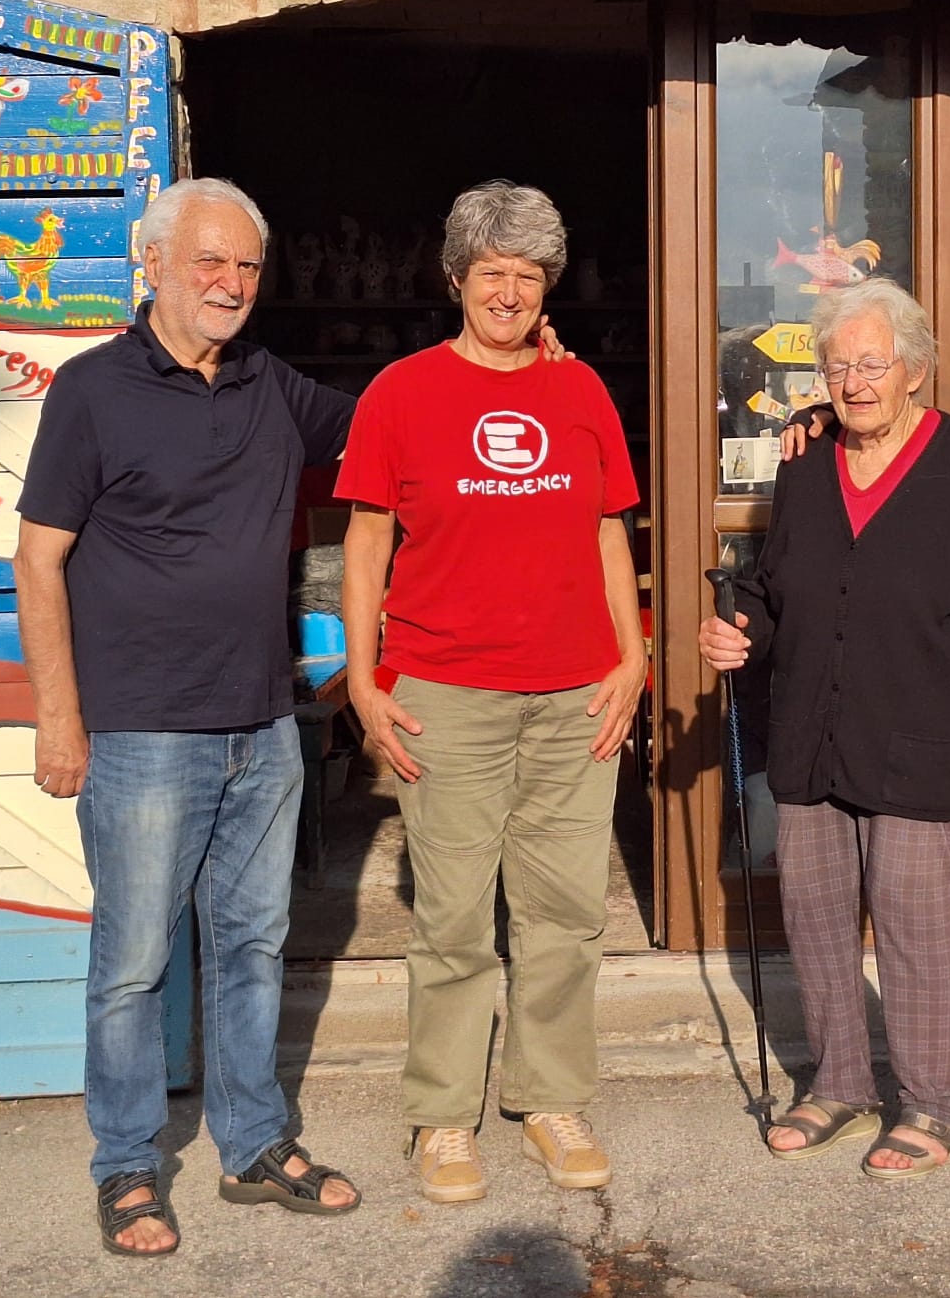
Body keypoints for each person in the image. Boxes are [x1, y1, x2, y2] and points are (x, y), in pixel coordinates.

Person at [14, 176, 366, 1254]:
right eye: (210, 260)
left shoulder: (270, 384)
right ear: (154, 262)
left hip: (261, 723)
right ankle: (126, 1166)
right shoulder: (91, 391)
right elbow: (38, 560)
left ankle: (252, 1142)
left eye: (247, 265)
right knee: (132, 963)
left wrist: (508, 364)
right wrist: (59, 720)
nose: (231, 283)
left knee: (253, 945)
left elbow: (395, 423)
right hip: (139, 732)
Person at [338, 181, 647, 1206]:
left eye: (527, 276)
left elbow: (609, 528)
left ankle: (552, 1100)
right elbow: (367, 541)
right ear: (456, 278)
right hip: (447, 692)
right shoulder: (400, 393)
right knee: (454, 920)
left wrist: (633, 656)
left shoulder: (581, 390)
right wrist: (364, 680)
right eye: (490, 274)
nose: (508, 293)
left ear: (547, 286)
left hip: (575, 694)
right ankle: (442, 1116)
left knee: (565, 913)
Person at [700, 277, 950, 1180]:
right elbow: (778, 588)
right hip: (812, 730)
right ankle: (839, 1085)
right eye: (837, 367)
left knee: (913, 924)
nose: (853, 383)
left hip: (922, 730)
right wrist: (740, 629)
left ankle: (932, 1102)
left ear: (915, 370)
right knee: (815, 918)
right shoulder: (806, 463)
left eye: (872, 364)